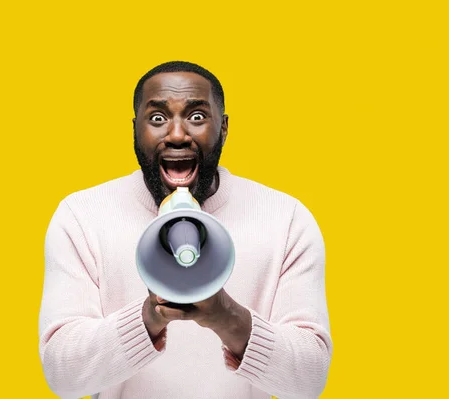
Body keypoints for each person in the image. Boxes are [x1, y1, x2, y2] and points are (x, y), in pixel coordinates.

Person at [38, 61, 332, 399]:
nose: (177, 134)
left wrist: (226, 316)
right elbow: (63, 377)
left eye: (196, 116)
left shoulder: (287, 219)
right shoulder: (82, 217)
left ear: (223, 128)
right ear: (136, 130)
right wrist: (149, 317)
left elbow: (309, 382)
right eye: (158, 118)